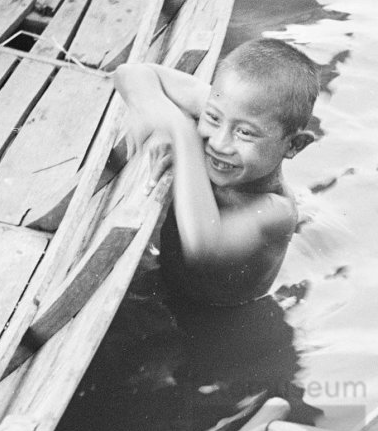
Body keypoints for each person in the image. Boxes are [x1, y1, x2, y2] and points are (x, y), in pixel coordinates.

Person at [116, 36, 322, 306]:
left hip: (214, 313)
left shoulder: (276, 211)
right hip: (170, 280)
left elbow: (202, 246)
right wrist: (157, 116)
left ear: (294, 145)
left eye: (245, 133)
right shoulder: (230, 107)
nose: (218, 143)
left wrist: (182, 133)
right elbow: (130, 73)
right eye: (212, 118)